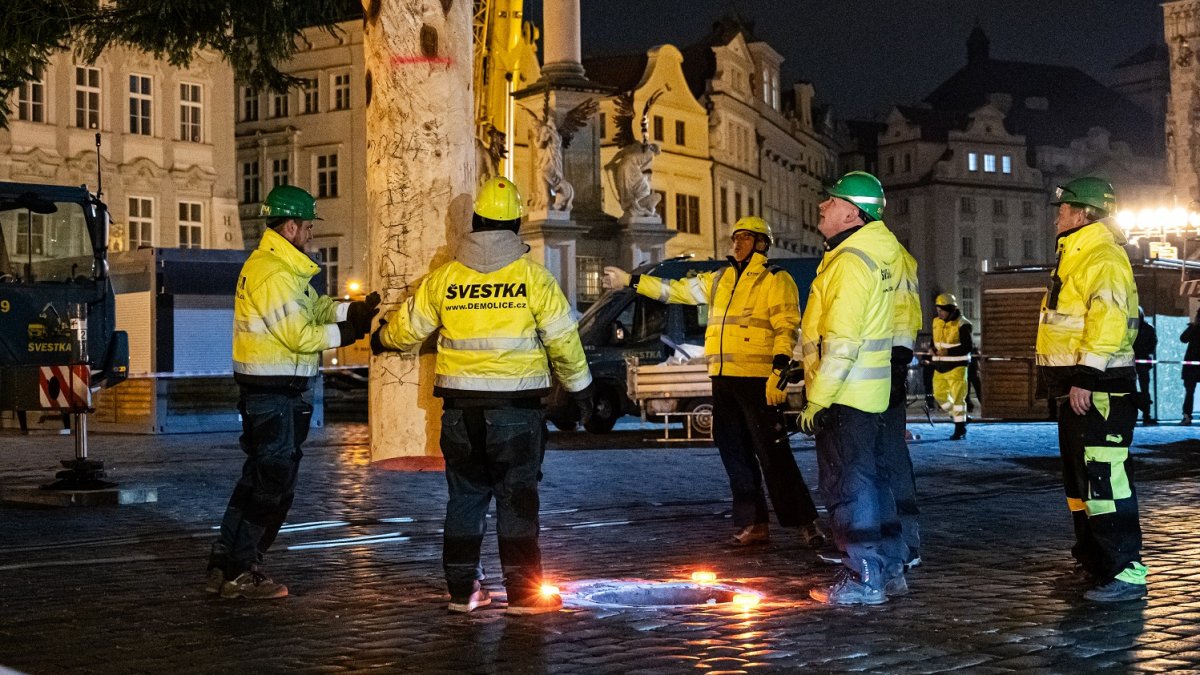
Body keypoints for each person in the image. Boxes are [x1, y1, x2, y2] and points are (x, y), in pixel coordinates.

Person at [372, 177, 593, 615]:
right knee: (517, 499)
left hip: (459, 412)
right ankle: (525, 597)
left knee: (465, 499)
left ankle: (463, 591)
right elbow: (564, 341)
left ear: (474, 224)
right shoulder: (534, 278)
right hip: (516, 412)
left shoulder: (446, 278)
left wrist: (382, 337)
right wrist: (580, 389)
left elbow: (407, 330)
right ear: (515, 225)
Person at [603, 216, 825, 549]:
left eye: (745, 238)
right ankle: (753, 523)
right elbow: (674, 291)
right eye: (735, 237)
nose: (736, 243)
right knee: (735, 454)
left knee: (774, 456)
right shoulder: (720, 279)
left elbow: (786, 327)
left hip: (758, 381)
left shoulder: (775, 279)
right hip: (723, 380)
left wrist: (779, 371)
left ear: (762, 243)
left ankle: (806, 523)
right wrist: (632, 281)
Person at [207, 185, 379, 599]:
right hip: (274, 396)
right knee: (272, 486)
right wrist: (350, 331)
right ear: (290, 226)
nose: (311, 234)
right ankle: (240, 571)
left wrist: (349, 309)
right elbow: (299, 334)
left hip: (275, 395)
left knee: (257, 481)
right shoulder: (273, 272)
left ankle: (224, 562)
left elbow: (313, 310)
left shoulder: (283, 268)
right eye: (307, 227)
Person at [1038, 176, 1146, 602]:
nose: (1056, 217)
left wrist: (1086, 375)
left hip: (1099, 387)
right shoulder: (1077, 256)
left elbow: (1109, 320)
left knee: (1105, 481)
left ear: (1082, 214)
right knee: (1080, 481)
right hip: (1078, 387)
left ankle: (1126, 568)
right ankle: (1097, 560)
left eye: (1062, 210)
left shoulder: (1101, 256)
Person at [799, 171, 905, 605]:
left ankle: (863, 579)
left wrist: (817, 400)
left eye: (831, 201)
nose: (823, 206)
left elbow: (841, 344)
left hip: (844, 396)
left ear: (851, 213)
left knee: (848, 486)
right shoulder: (875, 254)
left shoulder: (849, 263)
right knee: (875, 483)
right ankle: (889, 568)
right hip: (870, 393)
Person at [930, 293, 973, 440]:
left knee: (958, 401)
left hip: (957, 367)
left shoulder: (962, 324)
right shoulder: (936, 322)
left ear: (951, 309)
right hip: (940, 366)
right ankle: (959, 417)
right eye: (938, 310)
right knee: (939, 395)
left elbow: (968, 346)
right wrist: (931, 349)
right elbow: (934, 340)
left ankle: (960, 429)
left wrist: (949, 351)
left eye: (942, 310)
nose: (939, 313)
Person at [1133, 308, 1157, 425]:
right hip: (1142, 362)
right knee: (1144, 389)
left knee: (1132, 389)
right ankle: (1146, 415)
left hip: (1131, 362)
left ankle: (1134, 414)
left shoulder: (1130, 327)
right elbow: (1153, 344)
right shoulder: (1149, 328)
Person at [1181, 308, 1200, 426]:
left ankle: (1187, 416)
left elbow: (1183, 338)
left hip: (1192, 365)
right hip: (1192, 365)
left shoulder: (1194, 328)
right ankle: (1187, 415)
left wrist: (1192, 327)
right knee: (1189, 391)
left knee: (1189, 392)